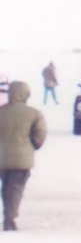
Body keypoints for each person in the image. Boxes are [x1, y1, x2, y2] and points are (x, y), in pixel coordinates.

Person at [0, 81, 47, 231]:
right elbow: (40, 135)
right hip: (22, 158)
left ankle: (8, 215)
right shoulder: (34, 113)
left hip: (2, 157)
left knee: (6, 187)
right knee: (16, 188)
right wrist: (32, 146)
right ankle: (10, 219)